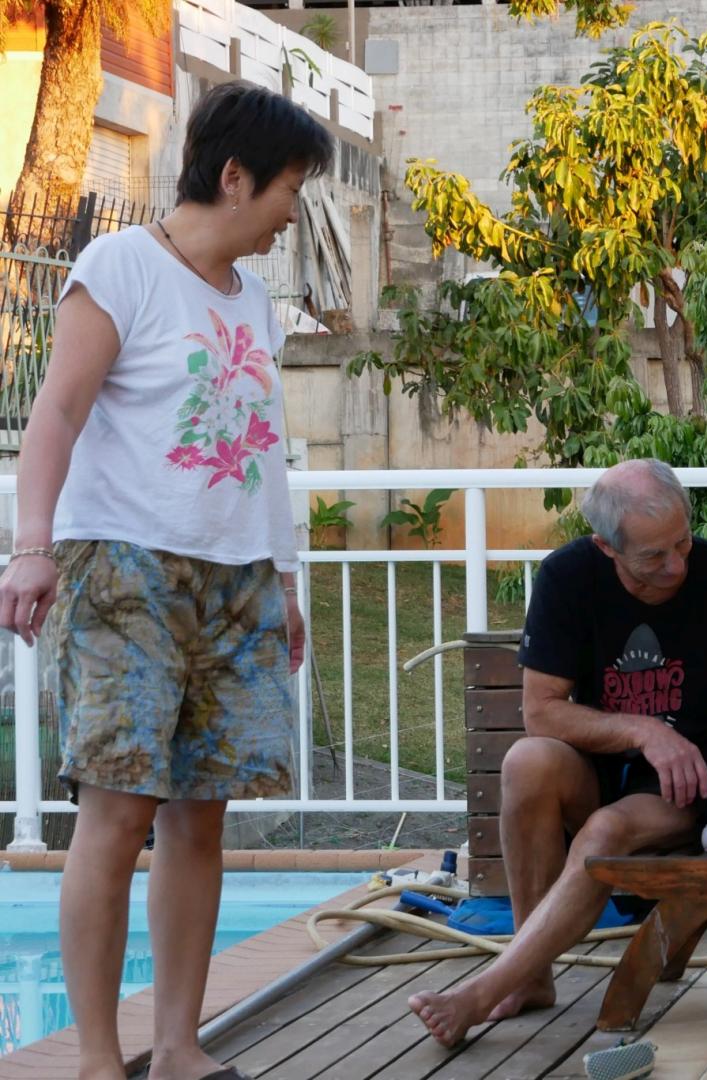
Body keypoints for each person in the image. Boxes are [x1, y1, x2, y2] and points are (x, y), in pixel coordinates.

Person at [0, 82, 331, 1080]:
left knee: (202, 816)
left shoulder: (255, 300)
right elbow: (57, 413)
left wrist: (283, 578)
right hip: (123, 569)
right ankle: (99, 1060)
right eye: (289, 189)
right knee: (115, 816)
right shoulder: (120, 266)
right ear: (233, 177)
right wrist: (30, 546)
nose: (292, 214)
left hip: (237, 582)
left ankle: (179, 1045)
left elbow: (263, 452)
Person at [409, 459, 707, 1046]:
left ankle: (484, 991)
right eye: (653, 556)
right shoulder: (568, 577)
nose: (676, 565)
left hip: (698, 784)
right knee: (527, 762)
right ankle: (532, 977)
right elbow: (541, 712)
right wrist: (645, 731)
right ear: (606, 546)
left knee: (605, 830)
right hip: (602, 767)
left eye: (682, 542)